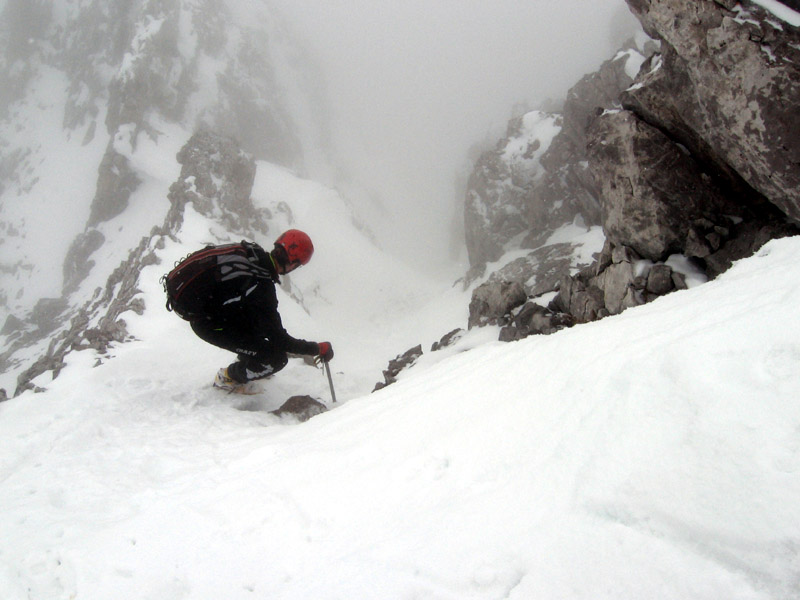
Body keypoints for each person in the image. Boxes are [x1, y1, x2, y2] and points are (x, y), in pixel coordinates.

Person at [164, 229, 333, 394]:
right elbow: (281, 341)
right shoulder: (261, 286)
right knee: (276, 359)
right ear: (293, 263)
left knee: (260, 327)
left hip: (212, 313)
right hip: (208, 325)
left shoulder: (252, 254)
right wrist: (317, 348)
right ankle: (229, 378)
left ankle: (253, 362)